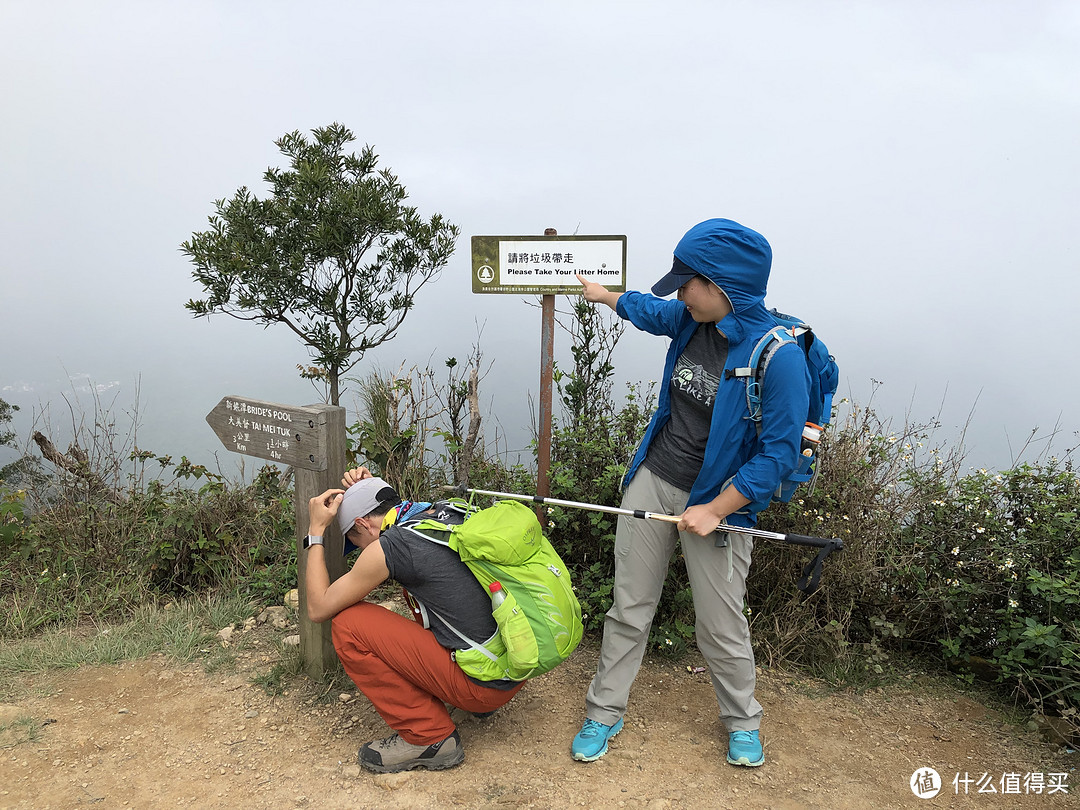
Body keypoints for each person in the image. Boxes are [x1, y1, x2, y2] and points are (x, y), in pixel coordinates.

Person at [570, 218, 810, 768]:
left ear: (722, 286)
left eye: (688, 283)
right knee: (629, 607)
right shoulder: (689, 319)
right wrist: (606, 297)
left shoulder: (780, 358)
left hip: (722, 503)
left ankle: (743, 721)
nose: (679, 293)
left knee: (721, 623)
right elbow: (650, 311)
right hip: (653, 478)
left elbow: (777, 455)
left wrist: (715, 509)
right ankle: (604, 711)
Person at [303, 467, 524, 773]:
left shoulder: (392, 546)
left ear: (362, 524)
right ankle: (464, 696)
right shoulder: (440, 513)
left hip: (484, 686)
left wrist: (314, 532)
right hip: (517, 661)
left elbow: (317, 608)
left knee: (348, 624)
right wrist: (368, 489)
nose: (362, 551)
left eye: (357, 542)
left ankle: (428, 737)